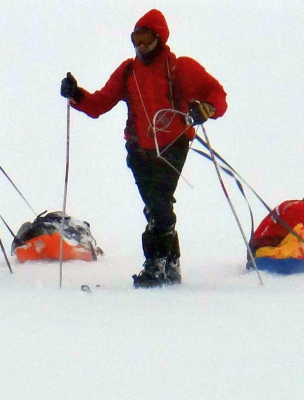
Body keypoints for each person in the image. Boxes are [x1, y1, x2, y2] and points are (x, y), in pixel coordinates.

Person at [60, 9, 228, 288]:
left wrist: (206, 109)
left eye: (146, 38)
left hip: (174, 146)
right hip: (139, 151)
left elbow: (217, 95)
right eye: (136, 39)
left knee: (159, 205)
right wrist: (75, 94)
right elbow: (99, 104)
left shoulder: (180, 68)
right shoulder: (128, 71)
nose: (140, 45)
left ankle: (155, 264)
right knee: (155, 207)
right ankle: (170, 265)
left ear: (159, 38)